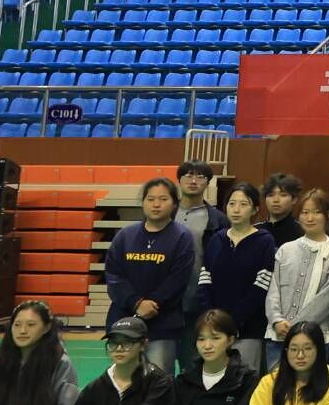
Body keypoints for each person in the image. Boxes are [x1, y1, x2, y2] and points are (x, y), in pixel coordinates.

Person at [106, 177, 197, 375]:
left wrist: (153, 304)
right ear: (143, 202)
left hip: (163, 325)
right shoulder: (125, 235)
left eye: (163, 199)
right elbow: (113, 275)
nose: (156, 204)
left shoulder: (182, 237)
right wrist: (136, 303)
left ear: (174, 203)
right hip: (124, 321)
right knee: (124, 378)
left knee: (158, 379)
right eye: (150, 199)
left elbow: (178, 279)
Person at [195, 181, 277, 370]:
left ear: (255, 209)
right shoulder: (217, 239)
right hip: (214, 329)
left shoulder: (264, 241)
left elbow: (261, 286)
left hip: (248, 329)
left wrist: (233, 322)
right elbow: (205, 280)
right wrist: (212, 319)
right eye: (232, 204)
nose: (236, 209)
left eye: (243, 204)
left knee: (244, 378)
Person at [265, 190, 329, 371]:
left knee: (311, 386)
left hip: (315, 338)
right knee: (275, 385)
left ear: (327, 214)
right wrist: (276, 320)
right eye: (305, 212)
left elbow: (327, 299)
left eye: (316, 212)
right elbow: (274, 290)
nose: (310, 218)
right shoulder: (286, 249)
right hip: (278, 336)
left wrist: (296, 328)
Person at [172, 161, 226, 373]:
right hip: (164, 304)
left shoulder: (218, 220)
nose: (193, 181)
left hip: (197, 303)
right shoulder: (165, 212)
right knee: (159, 366)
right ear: (179, 180)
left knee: (193, 365)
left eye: (200, 176)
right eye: (188, 175)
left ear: (208, 182)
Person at [260, 174, 304, 248]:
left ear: (294, 199)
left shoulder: (302, 232)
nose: (276, 200)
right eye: (271, 195)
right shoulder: (255, 231)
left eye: (283, 195)